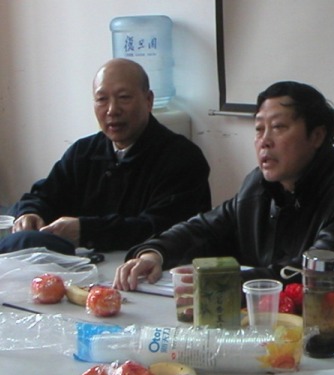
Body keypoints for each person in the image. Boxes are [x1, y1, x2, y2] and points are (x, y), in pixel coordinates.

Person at [113, 81, 334, 293]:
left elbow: (316, 274)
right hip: (270, 319)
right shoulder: (259, 185)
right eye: (258, 129)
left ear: (316, 136)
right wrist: (156, 253)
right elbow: (206, 228)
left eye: (278, 127)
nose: (264, 141)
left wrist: (222, 282)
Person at [1, 58, 211, 254]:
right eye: (102, 99)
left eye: (124, 97)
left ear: (148, 101)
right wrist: (31, 213)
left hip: (149, 268)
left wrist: (86, 231)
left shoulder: (182, 158)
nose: (112, 110)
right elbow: (45, 196)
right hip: (83, 270)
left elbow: (162, 227)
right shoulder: (83, 152)